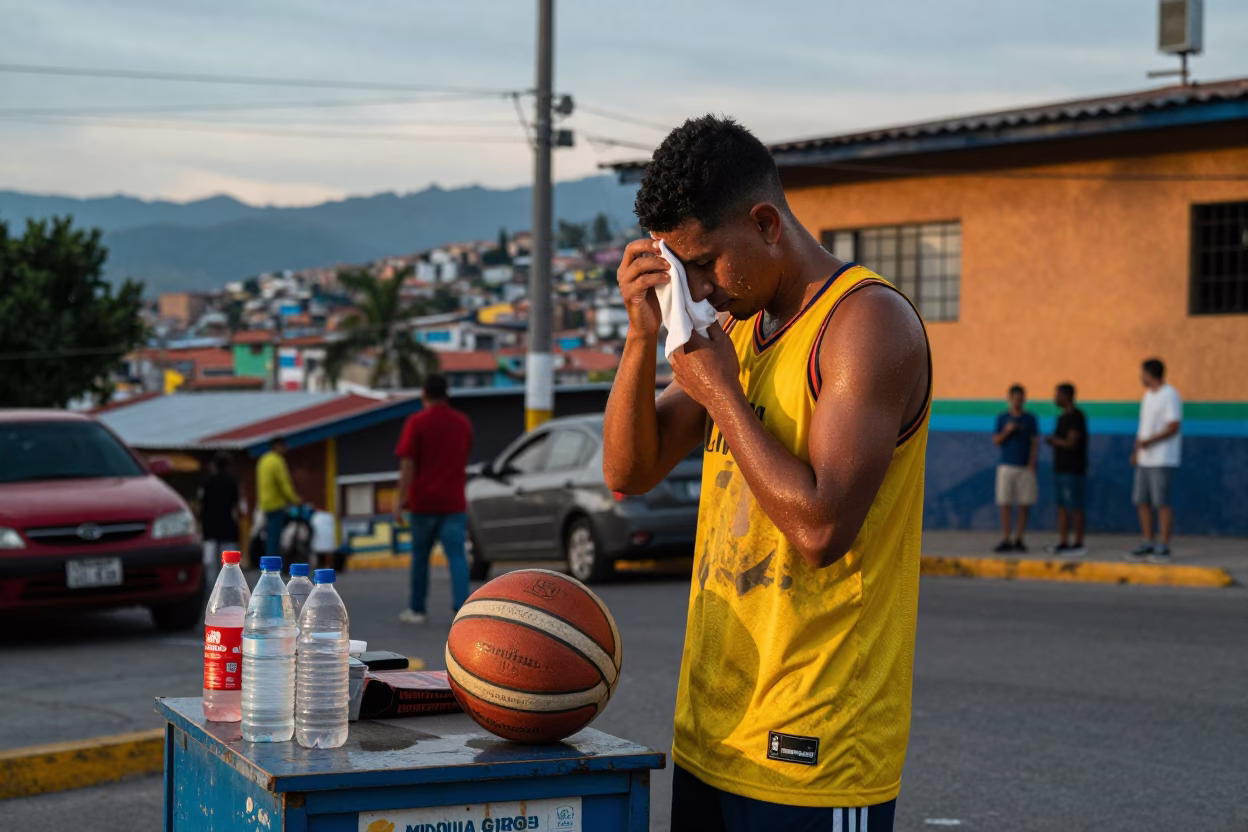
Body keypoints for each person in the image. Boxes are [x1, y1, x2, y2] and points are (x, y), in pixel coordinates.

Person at [602, 116, 929, 832]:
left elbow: (821, 529)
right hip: (715, 733)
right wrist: (640, 337)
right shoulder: (741, 329)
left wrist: (719, 392)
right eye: (680, 270)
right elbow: (629, 470)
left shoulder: (864, 324)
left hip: (816, 746)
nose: (700, 287)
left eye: (707, 261)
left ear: (765, 222)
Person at [393, 373, 473, 624]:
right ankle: (463, 610)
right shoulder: (462, 423)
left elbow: (408, 465)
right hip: (453, 502)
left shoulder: (416, 423)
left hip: (423, 502)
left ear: (423, 394)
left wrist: (399, 499)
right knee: (457, 557)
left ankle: (417, 610)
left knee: (420, 557)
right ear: (447, 393)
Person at [1129, 358, 1182, 562]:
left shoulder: (1169, 395)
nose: (1140, 377)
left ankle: (1164, 545)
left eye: (1143, 373)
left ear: (1151, 374)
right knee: (1141, 500)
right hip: (1145, 459)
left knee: (1161, 502)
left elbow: (1173, 426)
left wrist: (1150, 442)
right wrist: (1136, 451)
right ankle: (1147, 541)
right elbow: (1143, 427)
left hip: (1162, 458)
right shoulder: (1147, 396)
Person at [992, 384, 1039, 553]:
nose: (1018, 401)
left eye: (1021, 398)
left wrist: (1033, 462)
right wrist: (1007, 431)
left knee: (1024, 503)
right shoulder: (1003, 418)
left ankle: (1019, 538)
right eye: (1015, 398)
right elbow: (996, 441)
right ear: (1010, 399)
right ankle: (1005, 538)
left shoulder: (1030, 419)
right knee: (1005, 502)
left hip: (1025, 467)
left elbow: (1035, 442)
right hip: (1006, 465)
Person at [1044, 383, 1088, 556]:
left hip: (1073, 469)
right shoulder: (1061, 417)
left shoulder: (1076, 417)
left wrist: (1054, 442)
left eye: (1058, 395)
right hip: (1060, 468)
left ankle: (1078, 543)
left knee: (1075, 506)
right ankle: (1063, 542)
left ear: (1067, 396)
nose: (1055, 398)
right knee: (1061, 506)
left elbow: (1072, 442)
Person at [198, 451, 242, 583]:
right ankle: (228, 584)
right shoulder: (232, 482)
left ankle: (212, 586)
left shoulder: (208, 482)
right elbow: (236, 505)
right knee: (229, 561)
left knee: (210, 562)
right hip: (227, 524)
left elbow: (202, 504)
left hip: (209, 525)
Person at [256, 435, 300, 562]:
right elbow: (283, 483)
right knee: (274, 537)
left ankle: (269, 563)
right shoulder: (277, 461)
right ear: (277, 446)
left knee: (270, 535)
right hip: (276, 503)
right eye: (283, 446)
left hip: (265, 503)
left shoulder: (263, 460)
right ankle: (272, 565)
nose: (285, 449)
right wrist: (294, 499)